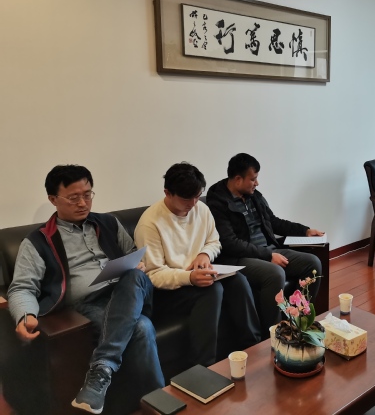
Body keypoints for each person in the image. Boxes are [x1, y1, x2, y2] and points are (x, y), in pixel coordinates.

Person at [7, 165, 163, 414]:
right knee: (141, 327)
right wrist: (25, 315)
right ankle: (157, 404)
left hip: (130, 292)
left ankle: (100, 369)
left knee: (134, 275)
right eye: (73, 197)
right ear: (53, 199)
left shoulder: (108, 222)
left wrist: (139, 263)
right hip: (88, 305)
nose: (83, 203)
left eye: (87, 194)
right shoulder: (38, 241)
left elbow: (133, 253)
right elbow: (22, 287)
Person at [135, 162, 260, 366]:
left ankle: (253, 348)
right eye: (187, 199)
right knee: (212, 291)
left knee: (238, 281)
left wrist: (204, 254)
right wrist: (189, 278)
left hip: (199, 275)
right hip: (169, 290)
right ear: (167, 193)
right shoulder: (150, 223)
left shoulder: (201, 209)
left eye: (197, 196)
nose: (193, 203)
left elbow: (214, 241)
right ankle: (204, 367)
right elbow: (154, 274)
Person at [206, 153, 324, 339]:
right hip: (241, 258)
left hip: (270, 250)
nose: (257, 183)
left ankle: (297, 321)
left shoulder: (254, 196)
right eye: (253, 179)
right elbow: (229, 243)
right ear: (238, 179)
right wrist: (267, 255)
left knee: (313, 263)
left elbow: (274, 222)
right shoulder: (218, 202)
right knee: (275, 273)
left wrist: (305, 230)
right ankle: (274, 333)